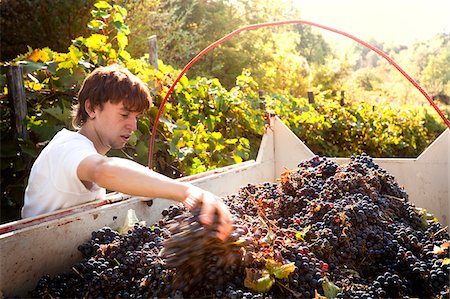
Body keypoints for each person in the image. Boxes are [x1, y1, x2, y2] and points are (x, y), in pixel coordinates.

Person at [22, 64, 232, 240]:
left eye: (136, 117)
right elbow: (102, 171)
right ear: (92, 108)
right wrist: (186, 192)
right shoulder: (68, 147)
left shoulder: (84, 151)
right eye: (124, 114)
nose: (132, 126)